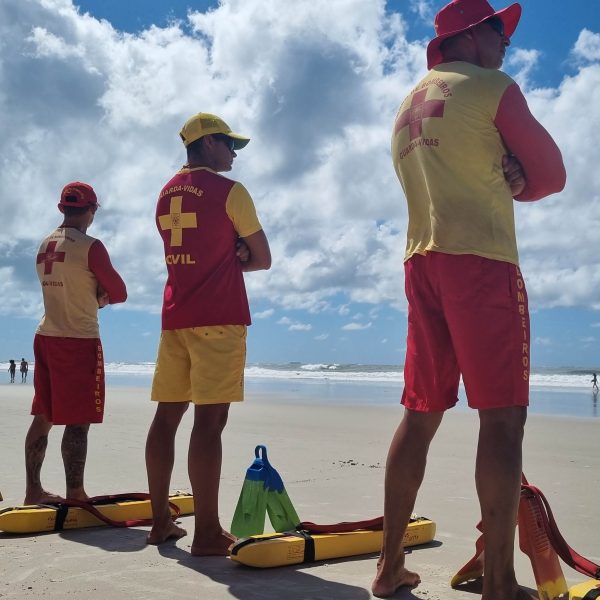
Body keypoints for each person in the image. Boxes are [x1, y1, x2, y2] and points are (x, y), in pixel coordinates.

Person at [372, 1, 566, 598]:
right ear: (473, 36)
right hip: (481, 261)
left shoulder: (407, 107)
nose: (507, 41)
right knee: (503, 418)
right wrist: (522, 180)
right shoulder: (492, 87)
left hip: (420, 263)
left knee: (420, 413)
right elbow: (553, 174)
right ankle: (501, 582)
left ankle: (387, 566)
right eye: (499, 30)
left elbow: (471, 167)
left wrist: (510, 173)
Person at [145, 112, 271, 556]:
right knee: (209, 423)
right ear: (207, 144)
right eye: (228, 143)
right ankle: (207, 533)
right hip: (218, 317)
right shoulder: (230, 192)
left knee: (166, 417)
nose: (234, 152)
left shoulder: (164, 195)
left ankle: (161, 521)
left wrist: (228, 250)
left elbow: (193, 248)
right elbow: (262, 258)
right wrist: (238, 254)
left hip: (175, 316)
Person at [24, 182, 127, 504]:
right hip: (78, 338)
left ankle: (33, 491)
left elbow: (67, 285)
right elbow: (120, 292)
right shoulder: (90, 246)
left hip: (46, 334)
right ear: (92, 210)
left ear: (62, 209)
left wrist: (92, 294)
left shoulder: (44, 245)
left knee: (45, 415)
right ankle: (75, 493)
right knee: (78, 421)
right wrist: (99, 297)